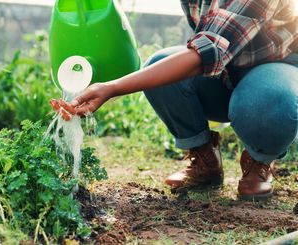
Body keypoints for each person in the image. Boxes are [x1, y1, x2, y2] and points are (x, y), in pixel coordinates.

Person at [52, 0, 298, 201]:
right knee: (158, 66)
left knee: (271, 101)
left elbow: (207, 52)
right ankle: (205, 159)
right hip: (223, 72)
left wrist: (113, 88)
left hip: (274, 69)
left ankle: (259, 161)